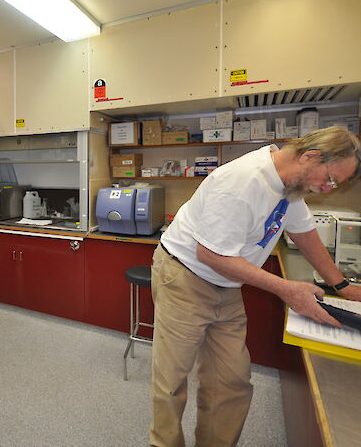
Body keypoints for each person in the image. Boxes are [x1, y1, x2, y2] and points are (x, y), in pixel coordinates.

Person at [149, 126, 361, 447]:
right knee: (171, 381)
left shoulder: (290, 185)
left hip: (227, 283)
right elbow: (211, 254)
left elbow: (304, 234)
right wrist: (286, 289)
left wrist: (343, 286)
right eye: (330, 179)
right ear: (311, 156)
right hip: (184, 276)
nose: (328, 189)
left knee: (231, 382)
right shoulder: (242, 182)